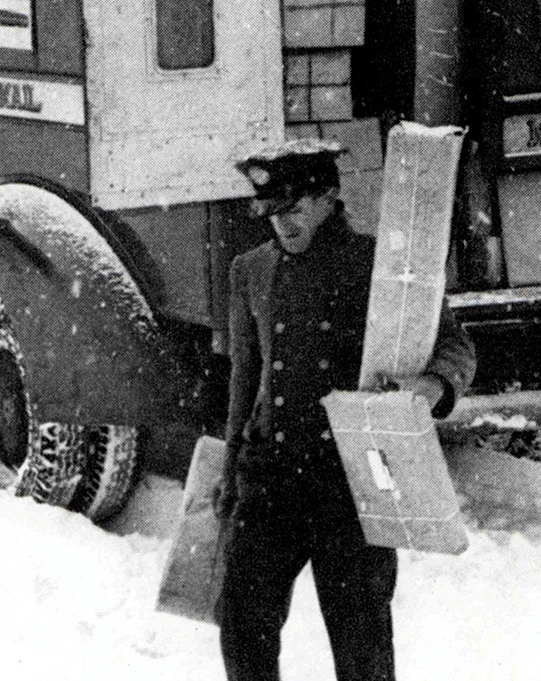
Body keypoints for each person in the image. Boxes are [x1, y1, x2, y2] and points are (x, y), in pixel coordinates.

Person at [214, 139, 477, 681]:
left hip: (351, 484)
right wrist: (231, 471)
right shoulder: (251, 270)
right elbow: (246, 377)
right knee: (241, 629)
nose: (282, 224)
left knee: (361, 647)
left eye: (295, 208)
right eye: (271, 212)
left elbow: (455, 346)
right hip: (271, 479)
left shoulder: (378, 267)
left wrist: (428, 387)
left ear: (329, 196)